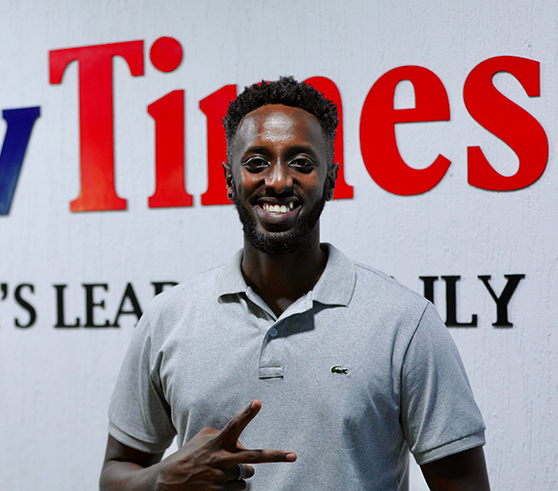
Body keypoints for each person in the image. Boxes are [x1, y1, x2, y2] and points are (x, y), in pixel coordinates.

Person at [99, 77, 490, 490]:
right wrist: (164, 478)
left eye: (301, 162)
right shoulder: (168, 318)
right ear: (230, 180)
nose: (279, 180)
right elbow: (114, 475)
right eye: (256, 163)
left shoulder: (404, 323)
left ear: (331, 179)